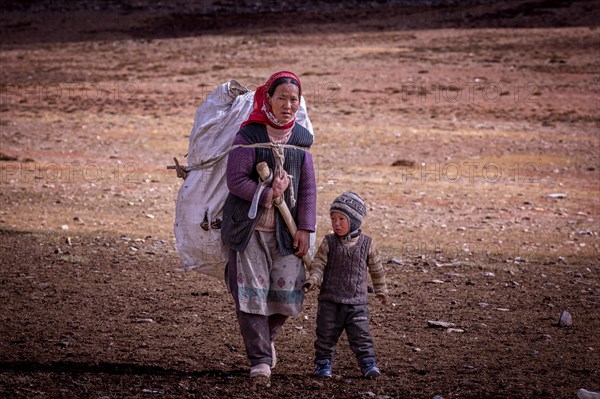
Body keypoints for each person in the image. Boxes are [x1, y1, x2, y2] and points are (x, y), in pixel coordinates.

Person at [221, 71, 317, 382]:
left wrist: (305, 228)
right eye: (281, 98)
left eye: (294, 99)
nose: (288, 105)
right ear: (268, 100)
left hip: (286, 234)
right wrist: (266, 194)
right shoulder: (249, 136)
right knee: (251, 294)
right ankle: (260, 360)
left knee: (286, 293)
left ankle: (266, 338)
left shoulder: (301, 141)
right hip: (248, 230)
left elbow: (307, 190)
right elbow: (235, 180)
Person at [302, 191, 388, 379]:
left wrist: (381, 290)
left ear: (355, 221)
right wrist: (313, 279)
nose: (336, 223)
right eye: (333, 218)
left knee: (361, 335)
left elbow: (377, 269)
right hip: (329, 301)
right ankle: (323, 365)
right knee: (325, 335)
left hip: (357, 303)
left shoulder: (367, 244)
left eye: (342, 218)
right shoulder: (329, 242)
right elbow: (319, 264)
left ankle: (368, 363)